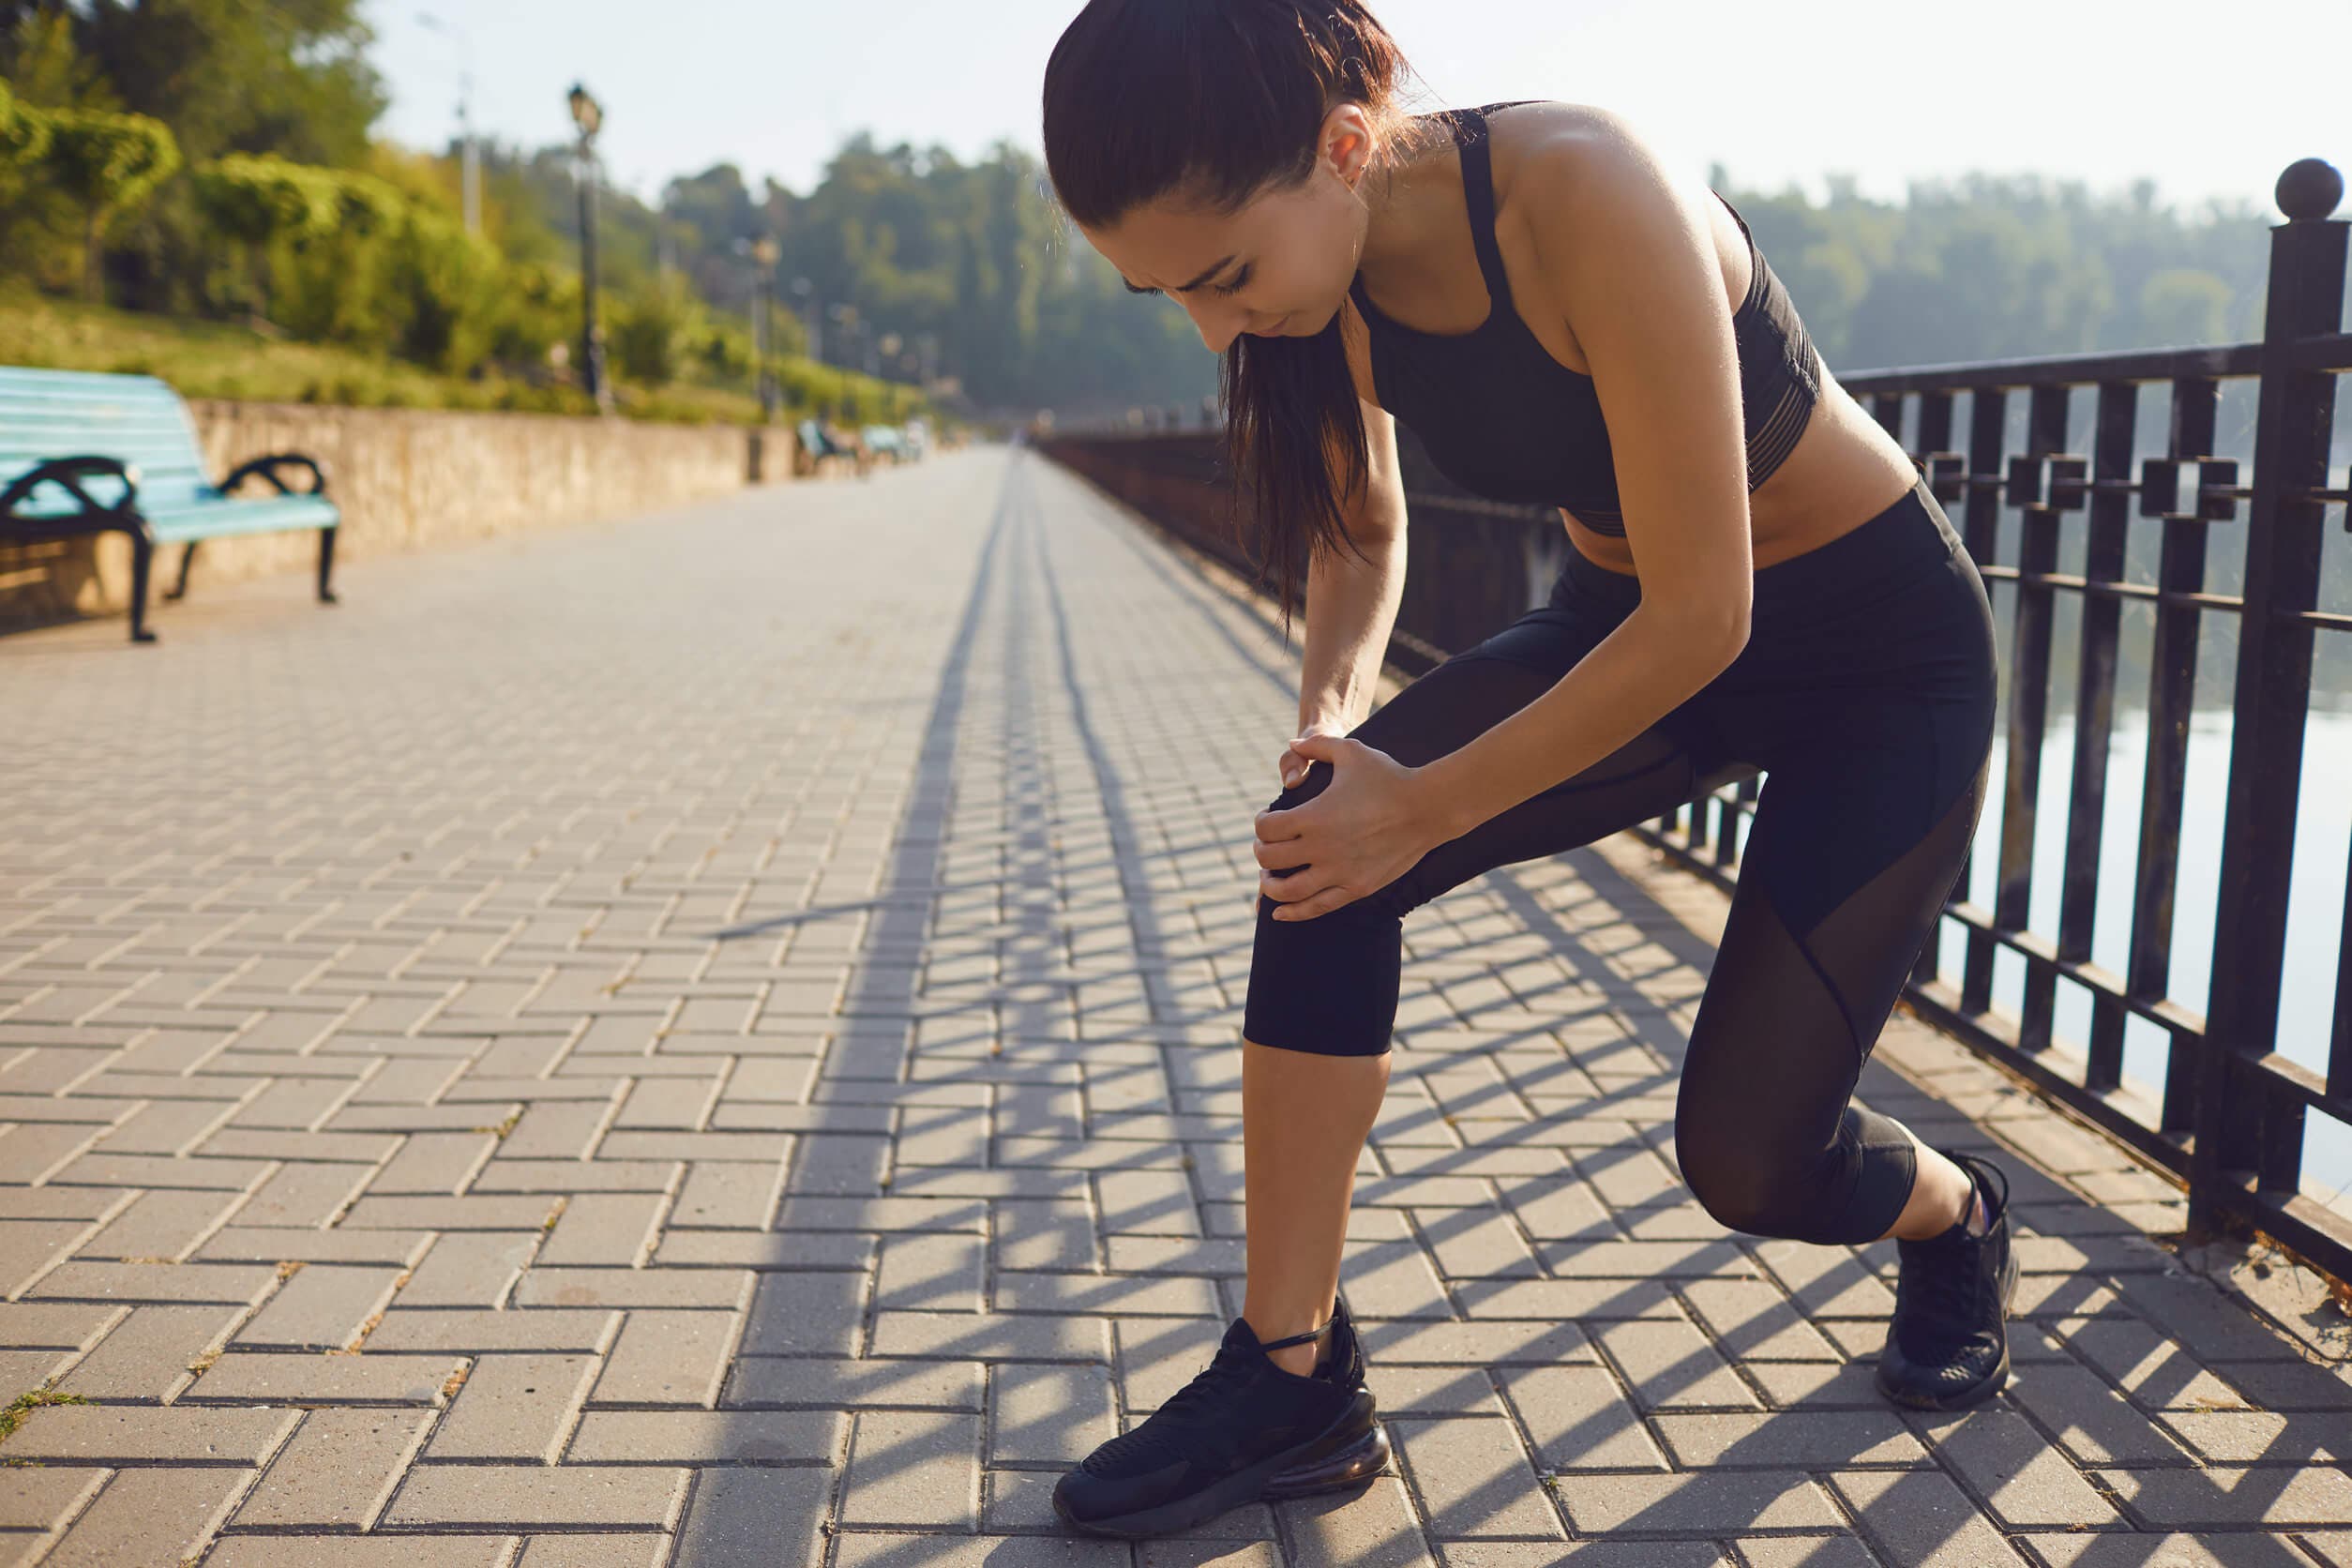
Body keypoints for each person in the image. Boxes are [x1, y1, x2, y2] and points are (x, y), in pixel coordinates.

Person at [1040, 0, 2016, 1541]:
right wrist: (1341, 728)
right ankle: (1292, 1370)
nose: (1213, 330)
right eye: (1164, 295)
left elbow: (1715, 607)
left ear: (1345, 152)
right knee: (1321, 848)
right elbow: (1364, 533)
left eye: (1221, 277)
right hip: (1633, 630)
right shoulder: (1315, 295)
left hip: (1871, 663)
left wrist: (1423, 804)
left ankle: (1957, 1213)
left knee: (1750, 1163)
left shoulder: (1585, 192)